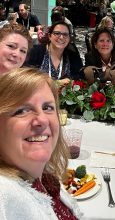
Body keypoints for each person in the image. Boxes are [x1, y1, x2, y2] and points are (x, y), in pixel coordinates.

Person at [0, 67, 81, 219]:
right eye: (22, 110)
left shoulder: (45, 177)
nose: (42, 120)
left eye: (48, 107)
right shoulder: (4, 195)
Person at [26, 21, 83, 86]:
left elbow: (80, 78)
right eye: (57, 33)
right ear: (50, 36)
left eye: (65, 34)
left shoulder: (73, 55)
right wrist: (55, 83)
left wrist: (72, 82)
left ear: (69, 38)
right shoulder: (36, 52)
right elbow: (27, 78)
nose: (61, 37)